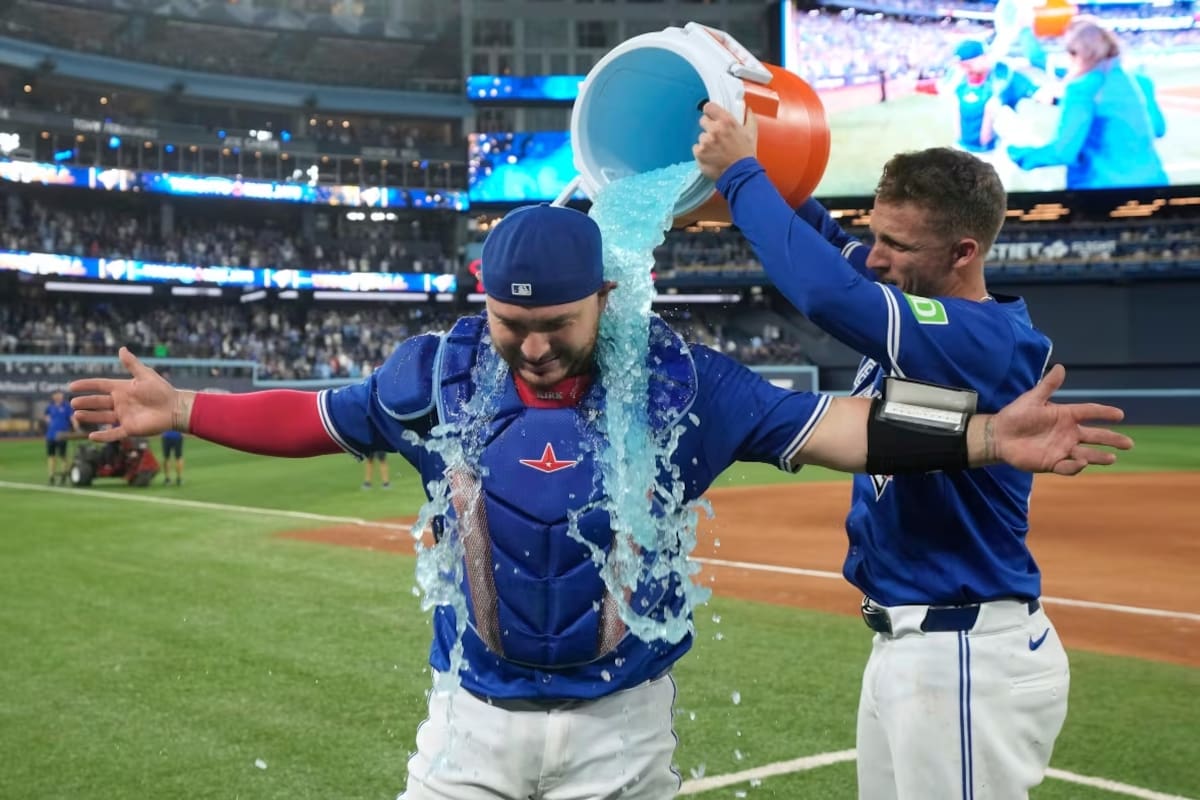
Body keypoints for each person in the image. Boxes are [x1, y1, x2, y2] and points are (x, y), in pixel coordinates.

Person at [68, 204, 1131, 800]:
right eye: (509, 323)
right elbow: (316, 416)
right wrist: (185, 406)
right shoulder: (439, 374)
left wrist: (986, 434)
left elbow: (834, 431)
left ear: (606, 300)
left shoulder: (680, 380)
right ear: (481, 299)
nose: (531, 346)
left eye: (558, 324)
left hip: (620, 732)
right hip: (467, 727)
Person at [695, 110, 1098, 798]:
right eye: (875, 234)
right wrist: (764, 157)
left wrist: (740, 174)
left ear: (963, 253)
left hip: (965, 651)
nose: (873, 255)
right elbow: (824, 243)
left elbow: (826, 291)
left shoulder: (983, 338)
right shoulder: (914, 291)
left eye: (894, 244)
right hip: (908, 643)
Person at [1007, 16, 1167, 190]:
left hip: (1101, 192)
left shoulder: (1080, 89)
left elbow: (1063, 152)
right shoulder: (1141, 81)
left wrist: (1014, 153)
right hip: (1154, 187)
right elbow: (1157, 128)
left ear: (1077, 53)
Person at [44, 389, 79, 484]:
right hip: (51, 435)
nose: (58, 396)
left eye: (59, 395)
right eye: (56, 395)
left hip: (62, 435)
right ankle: (51, 475)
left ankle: (64, 474)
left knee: (63, 455)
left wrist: (76, 427)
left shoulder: (67, 407)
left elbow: (73, 418)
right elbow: (47, 417)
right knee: (51, 456)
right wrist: (49, 422)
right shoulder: (50, 407)